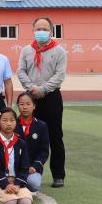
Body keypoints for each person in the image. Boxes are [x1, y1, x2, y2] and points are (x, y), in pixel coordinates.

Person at [16, 16, 67, 188]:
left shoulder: (59, 51)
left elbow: (60, 75)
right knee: (27, 134)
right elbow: (21, 71)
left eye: (45, 29)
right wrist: (32, 88)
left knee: (55, 136)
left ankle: (58, 175)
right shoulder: (26, 50)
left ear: (51, 31)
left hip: (51, 97)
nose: (41, 32)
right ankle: (28, 171)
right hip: (30, 97)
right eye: (38, 29)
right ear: (33, 30)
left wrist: (43, 89)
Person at [0, 109, 33, 204]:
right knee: (10, 203)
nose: (9, 124)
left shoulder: (21, 143)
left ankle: (13, 194)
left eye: (12, 120)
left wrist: (18, 184)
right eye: (4, 120)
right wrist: (6, 184)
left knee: (25, 203)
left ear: (16, 122)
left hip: (16, 181)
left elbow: (24, 167)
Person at [15, 93, 49, 193]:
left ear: (34, 106)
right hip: (13, 168)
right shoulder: (12, 124)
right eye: (21, 104)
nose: (25, 107)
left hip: (31, 168)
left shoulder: (42, 126)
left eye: (28, 104)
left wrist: (35, 166)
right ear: (17, 105)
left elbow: (44, 151)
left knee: (34, 184)